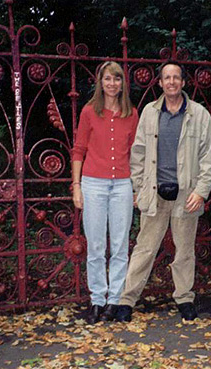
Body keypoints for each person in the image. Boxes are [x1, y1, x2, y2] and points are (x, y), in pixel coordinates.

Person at [115, 61, 211, 322]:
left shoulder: (199, 114)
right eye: (166, 78)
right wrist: (139, 188)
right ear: (159, 83)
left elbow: (209, 157)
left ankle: (184, 298)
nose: (171, 82)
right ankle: (127, 300)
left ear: (183, 82)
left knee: (184, 250)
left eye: (176, 77)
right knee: (144, 248)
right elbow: (137, 153)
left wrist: (201, 191)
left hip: (187, 196)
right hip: (155, 193)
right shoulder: (149, 112)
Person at [72, 61, 138, 324]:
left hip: (122, 184)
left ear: (123, 83)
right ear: (100, 82)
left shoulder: (131, 113)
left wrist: (137, 188)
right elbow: (78, 150)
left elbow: (135, 152)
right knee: (97, 246)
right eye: (108, 79)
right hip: (93, 184)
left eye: (117, 79)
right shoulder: (89, 112)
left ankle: (115, 300)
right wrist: (76, 186)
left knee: (121, 245)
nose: (112, 84)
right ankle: (97, 299)